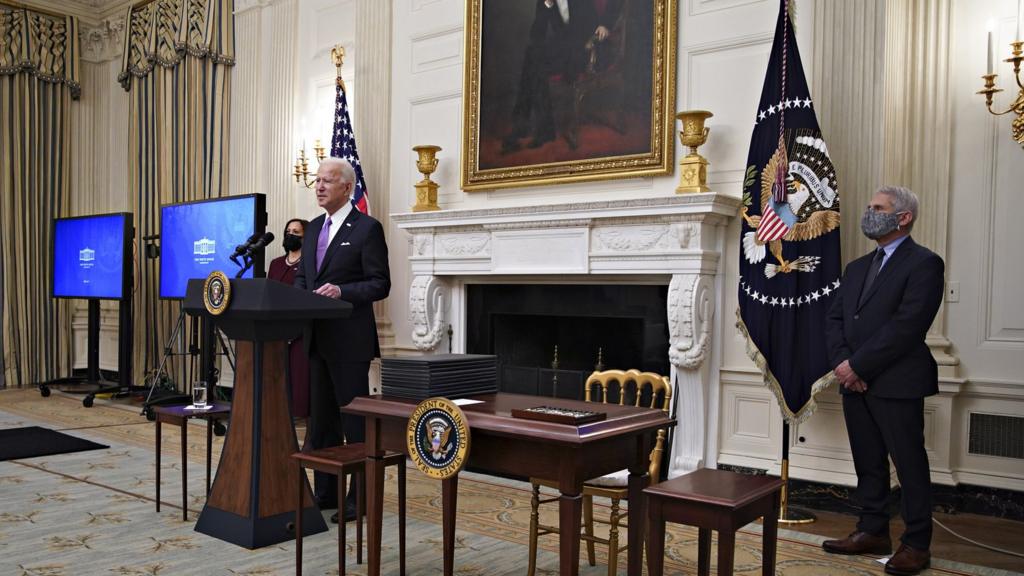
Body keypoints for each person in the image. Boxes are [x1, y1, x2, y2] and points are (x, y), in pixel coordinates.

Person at [823, 186, 944, 576]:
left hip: (897, 382)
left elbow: (907, 326)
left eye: (878, 208)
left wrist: (858, 366)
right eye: (870, 206)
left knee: (909, 465)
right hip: (853, 381)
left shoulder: (925, 263)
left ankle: (916, 544)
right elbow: (836, 320)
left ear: (903, 217)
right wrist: (844, 365)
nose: (869, 212)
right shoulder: (856, 267)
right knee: (868, 462)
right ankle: (872, 530)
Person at [294, 157, 390, 524]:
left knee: (353, 424)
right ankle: (326, 493)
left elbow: (380, 283)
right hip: (316, 338)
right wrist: (300, 299)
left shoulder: (367, 228)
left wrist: (343, 290)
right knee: (322, 425)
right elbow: (304, 277)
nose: (318, 186)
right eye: (316, 180)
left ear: (347, 188)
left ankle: (359, 497)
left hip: (350, 342)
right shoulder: (314, 227)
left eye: (327, 181)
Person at [502, 0, 622, 152]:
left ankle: (529, 126)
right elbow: (536, 35)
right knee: (532, 55)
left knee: (534, 62)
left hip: (590, 47)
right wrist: (547, 6)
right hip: (566, 50)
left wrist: (605, 24)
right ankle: (536, 128)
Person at [268, 218, 310, 419]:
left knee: (299, 377)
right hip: (276, 330)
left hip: (300, 331)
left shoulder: (310, 263)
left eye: (296, 231)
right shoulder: (275, 263)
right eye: (288, 231)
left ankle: (298, 415)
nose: (290, 235)